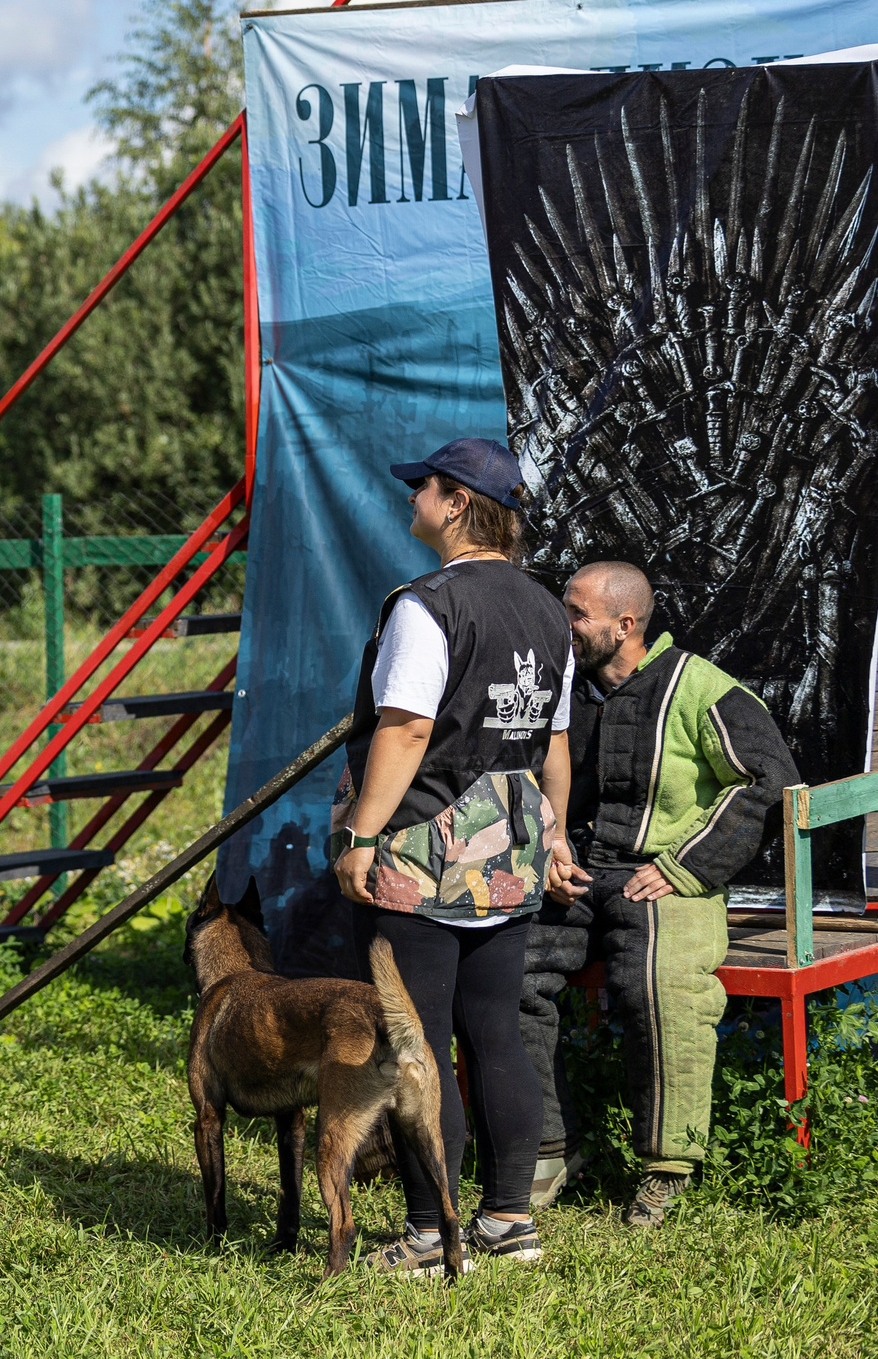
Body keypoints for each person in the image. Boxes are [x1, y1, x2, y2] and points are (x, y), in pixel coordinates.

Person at [331, 436, 571, 1273]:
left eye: (422, 489)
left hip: (426, 848)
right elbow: (556, 747)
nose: (411, 502)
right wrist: (557, 835)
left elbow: (408, 728)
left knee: (420, 1044)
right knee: (495, 1032)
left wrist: (362, 836)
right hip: (512, 844)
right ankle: (509, 1219)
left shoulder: (425, 605)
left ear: (458, 501)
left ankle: (432, 1233)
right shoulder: (548, 609)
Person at [519, 561, 791, 1228]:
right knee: (508, 972)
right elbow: (526, 775)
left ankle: (668, 1167)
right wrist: (546, 847)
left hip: (665, 874)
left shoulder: (699, 687)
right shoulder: (565, 691)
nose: (566, 624)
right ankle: (552, 1147)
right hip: (579, 871)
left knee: (662, 982)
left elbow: (769, 778)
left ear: (625, 624)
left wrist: (687, 863)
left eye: (577, 613)